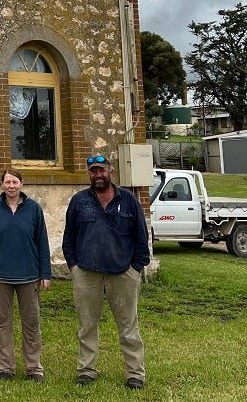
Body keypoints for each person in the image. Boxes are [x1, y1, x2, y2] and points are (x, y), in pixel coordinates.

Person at [61, 154, 150, 390]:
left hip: (122, 273)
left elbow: (141, 236)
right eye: (93, 171)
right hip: (87, 273)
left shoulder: (128, 200)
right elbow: (69, 236)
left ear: (110, 171)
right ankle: (86, 370)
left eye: (101, 170)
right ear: (89, 174)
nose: (97, 174)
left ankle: (135, 374)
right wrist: (74, 266)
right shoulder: (79, 201)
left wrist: (136, 268)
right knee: (87, 325)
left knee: (128, 326)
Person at [0, 169, 52, 382]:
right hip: (0, 275)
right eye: (7, 182)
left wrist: (45, 273)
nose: (11, 186)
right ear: (2, 185)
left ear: (21, 183)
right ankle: (5, 368)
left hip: (29, 275)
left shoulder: (34, 209)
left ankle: (34, 368)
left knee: (31, 323)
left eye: (15, 182)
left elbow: (42, 243)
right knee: (2, 323)